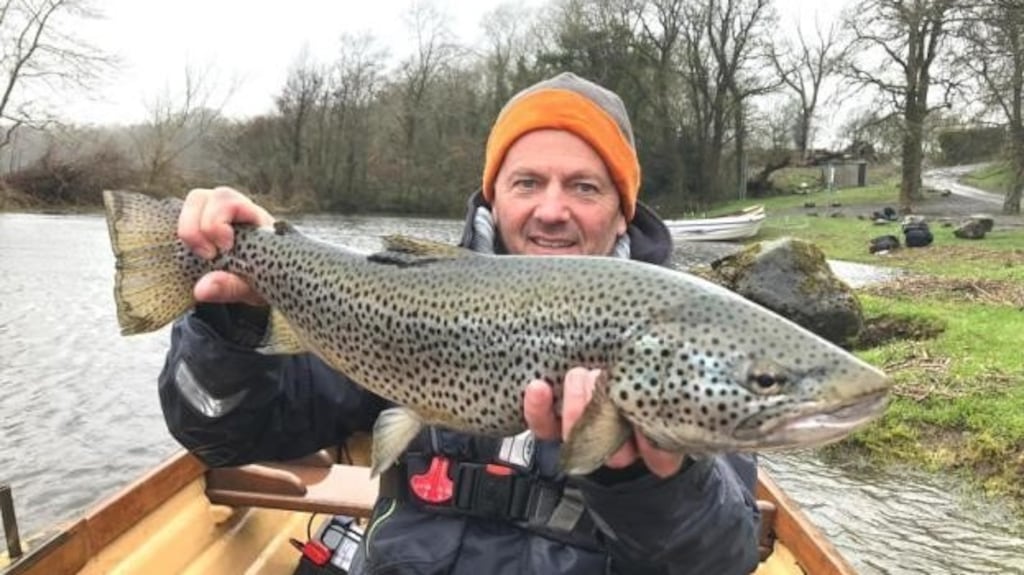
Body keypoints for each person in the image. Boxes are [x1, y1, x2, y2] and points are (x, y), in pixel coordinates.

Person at [158, 72, 761, 574]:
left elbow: (722, 559)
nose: (552, 209)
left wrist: (647, 481)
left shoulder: (680, 334)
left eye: (584, 187)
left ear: (623, 213)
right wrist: (234, 322)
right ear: (494, 197)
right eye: (528, 182)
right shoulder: (404, 299)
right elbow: (222, 436)